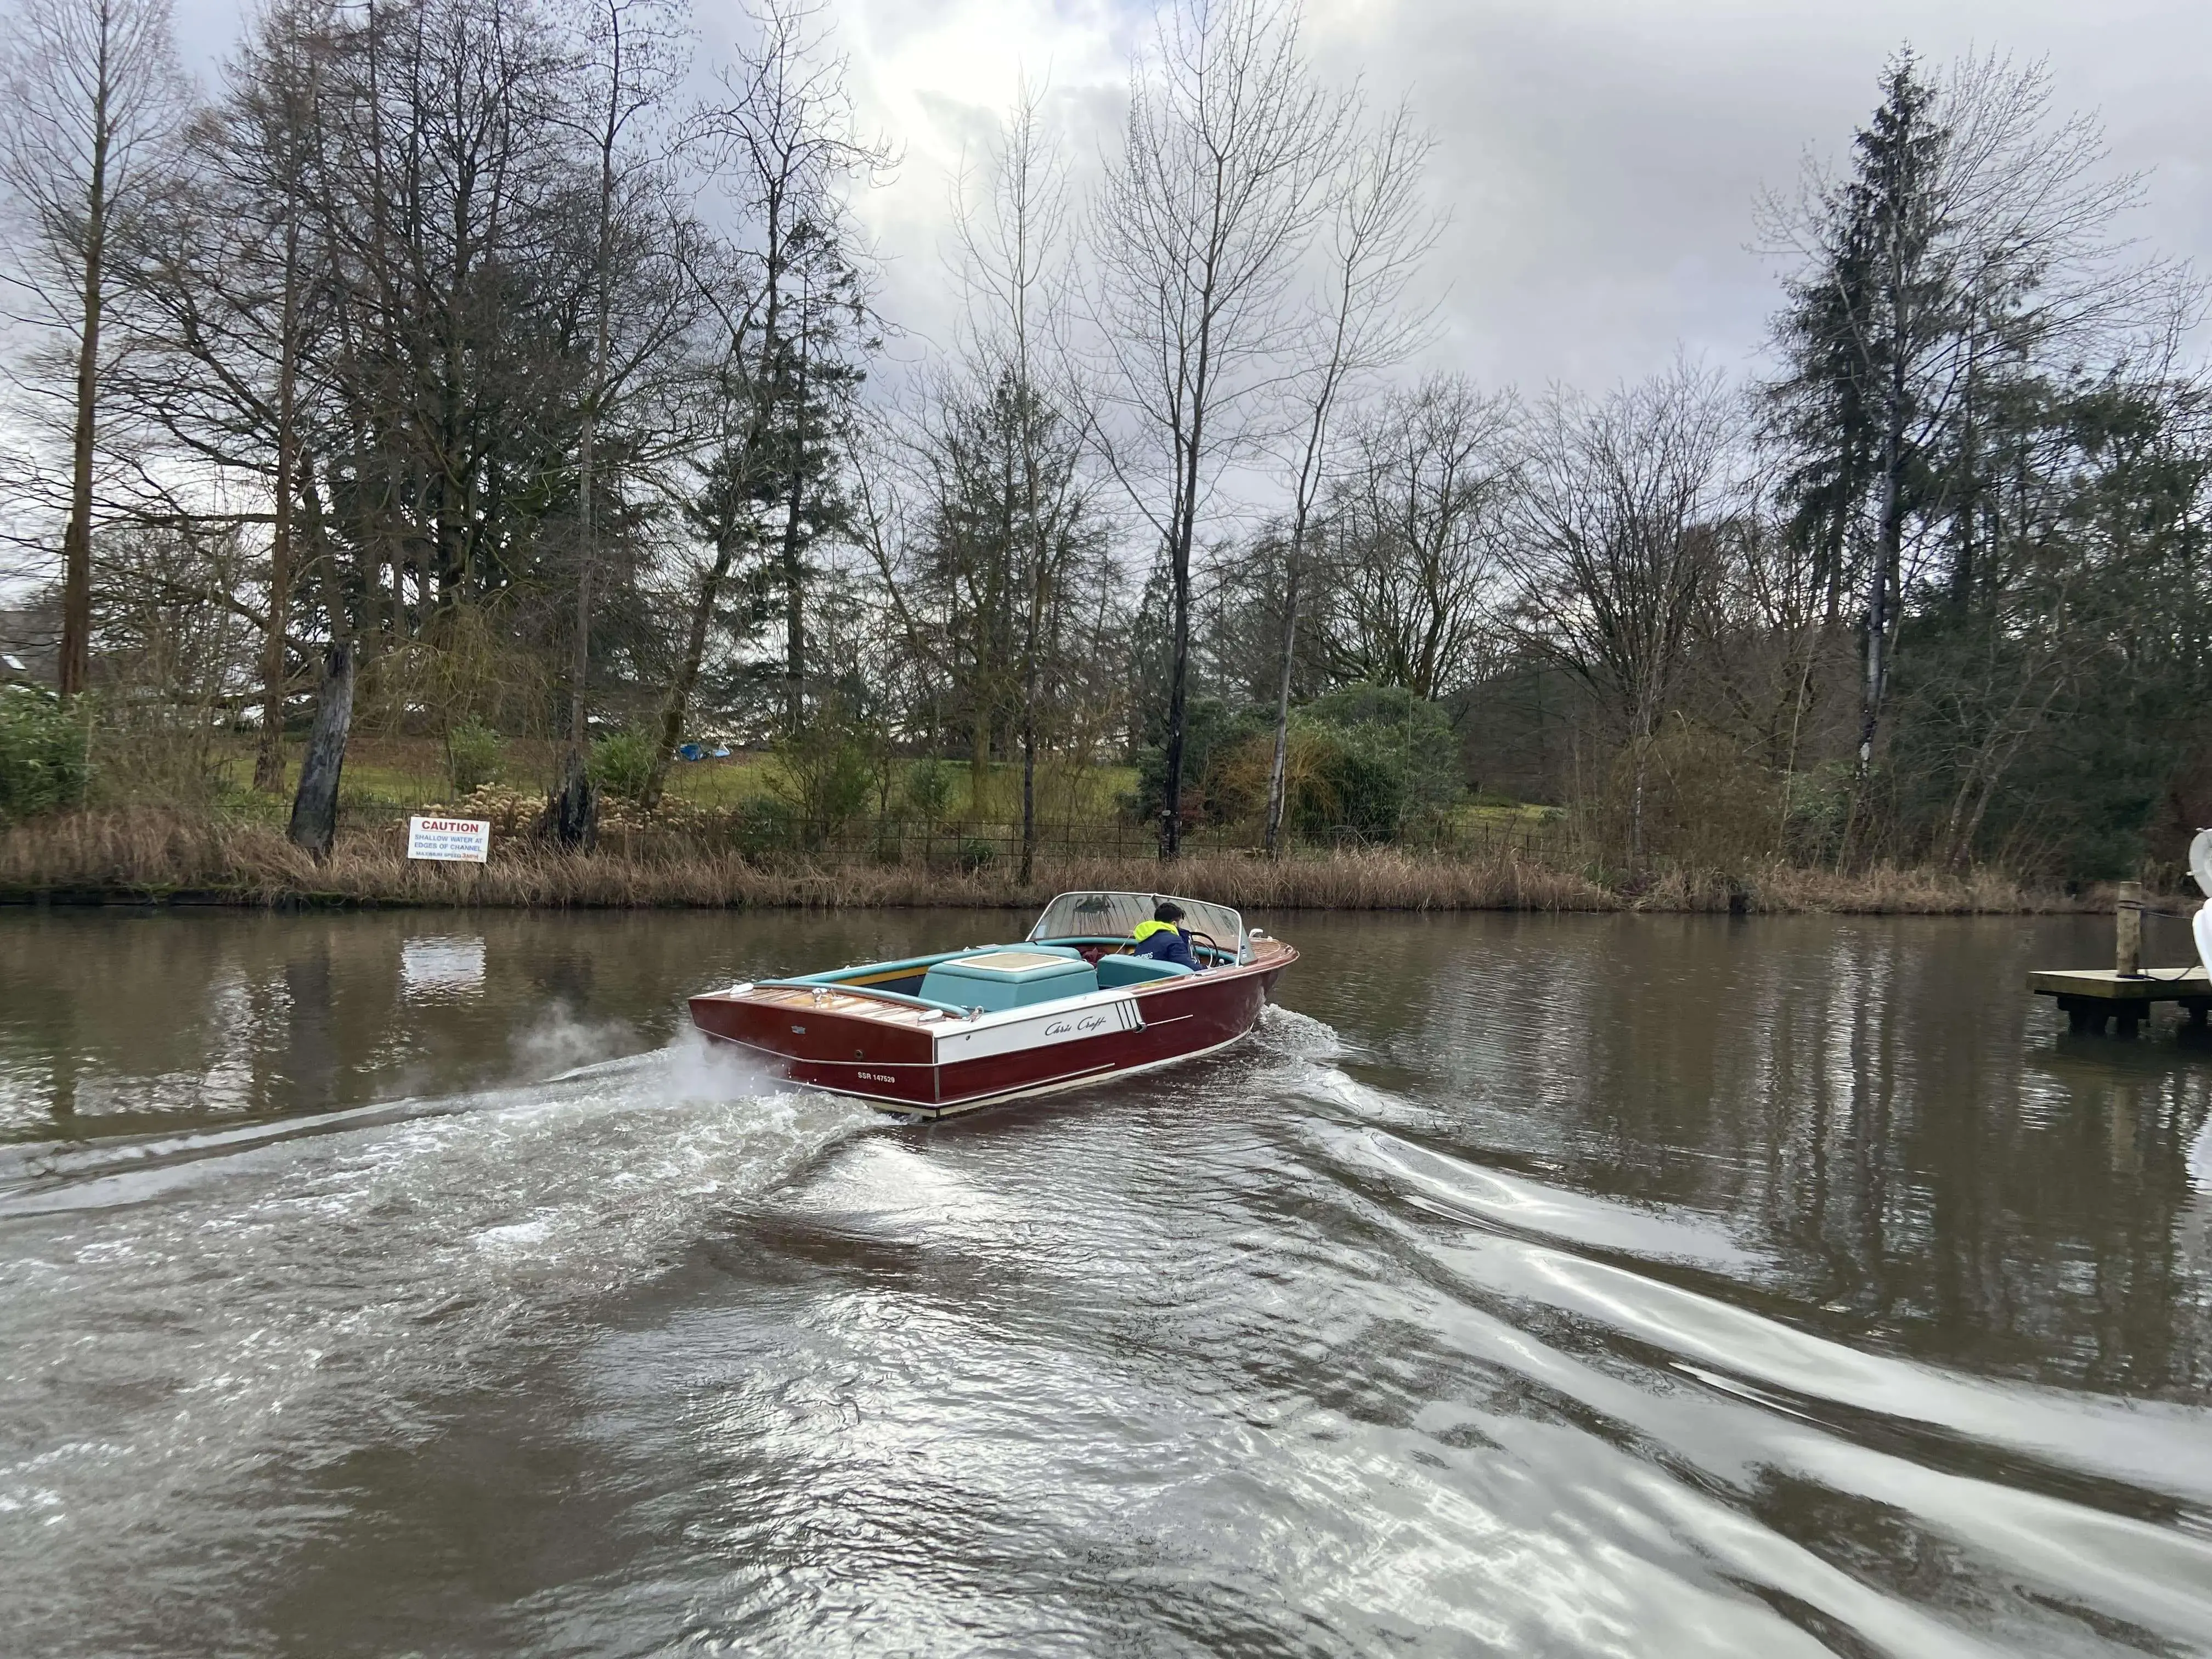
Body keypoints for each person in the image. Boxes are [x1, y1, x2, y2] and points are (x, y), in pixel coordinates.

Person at [1129, 900, 1201, 970]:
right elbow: (1189, 968)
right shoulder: (1174, 940)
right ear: (1174, 924)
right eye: (1181, 923)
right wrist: (1207, 968)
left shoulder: (1142, 941)